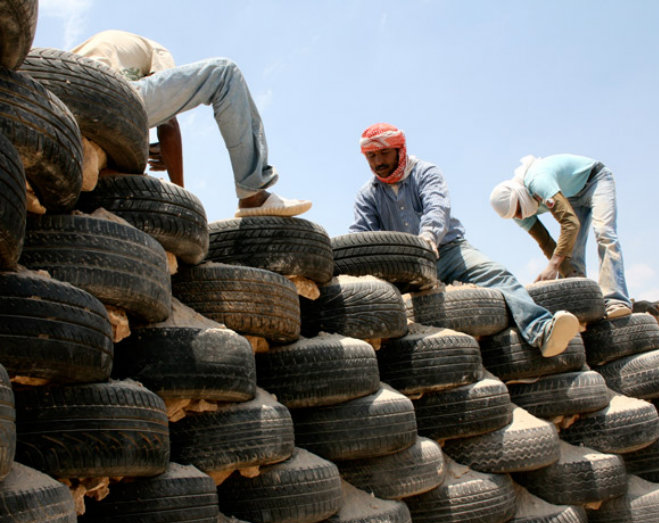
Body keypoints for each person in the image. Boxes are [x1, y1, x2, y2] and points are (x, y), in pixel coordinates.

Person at [350, 122, 580, 358]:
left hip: (448, 250)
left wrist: (427, 237)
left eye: (384, 153)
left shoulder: (426, 173)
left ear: (400, 149)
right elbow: (362, 236)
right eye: (371, 156)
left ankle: (542, 330)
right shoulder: (367, 195)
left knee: (497, 275)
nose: (378, 162)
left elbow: (436, 208)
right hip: (403, 266)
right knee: (374, 300)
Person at [71, 30, 311, 217]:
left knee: (131, 164)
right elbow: (168, 123)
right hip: (108, 93)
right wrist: (181, 199)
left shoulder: (102, 49)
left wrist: (144, 149)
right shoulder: (157, 51)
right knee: (225, 74)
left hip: (66, 106)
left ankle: (95, 182)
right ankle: (252, 193)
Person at [489, 154, 631, 319]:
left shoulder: (538, 181)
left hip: (594, 180)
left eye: (519, 210)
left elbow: (570, 223)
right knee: (573, 253)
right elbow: (546, 243)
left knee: (604, 232)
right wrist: (567, 273)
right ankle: (583, 305)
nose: (520, 217)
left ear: (520, 195)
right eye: (515, 215)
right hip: (572, 196)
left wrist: (553, 266)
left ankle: (615, 300)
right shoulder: (518, 214)